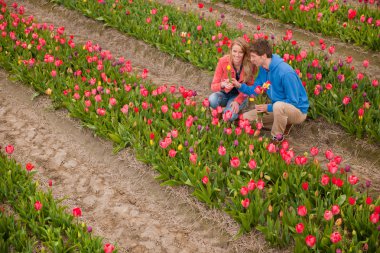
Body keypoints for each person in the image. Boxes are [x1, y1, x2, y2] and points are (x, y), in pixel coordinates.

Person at [232, 38, 309, 142]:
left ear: (263, 56)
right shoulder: (264, 69)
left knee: (278, 106)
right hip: (278, 109)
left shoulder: (285, 73)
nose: (251, 59)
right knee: (245, 119)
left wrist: (267, 107)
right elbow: (255, 90)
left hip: (297, 111)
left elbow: (293, 102)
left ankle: (276, 140)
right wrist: (239, 85)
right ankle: (283, 123)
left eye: (254, 56)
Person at [208, 37, 256, 121]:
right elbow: (213, 86)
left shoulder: (250, 65)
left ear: (245, 53)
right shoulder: (223, 62)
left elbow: (250, 88)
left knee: (229, 116)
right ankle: (220, 112)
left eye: (240, 52)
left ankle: (234, 111)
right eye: (234, 51)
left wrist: (237, 101)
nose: (237, 55)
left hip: (239, 95)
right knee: (212, 99)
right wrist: (223, 84)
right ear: (230, 51)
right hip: (225, 94)